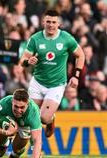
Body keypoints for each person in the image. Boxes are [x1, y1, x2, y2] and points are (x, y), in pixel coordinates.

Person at [19, 9, 85, 137]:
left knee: (43, 118)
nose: (51, 25)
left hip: (56, 84)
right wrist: (28, 61)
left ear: (58, 23)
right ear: (43, 22)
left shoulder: (66, 38)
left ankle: (50, 119)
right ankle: (30, 150)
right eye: (48, 21)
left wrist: (76, 75)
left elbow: (80, 55)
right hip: (37, 82)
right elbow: (22, 61)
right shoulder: (35, 38)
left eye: (54, 22)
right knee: (28, 118)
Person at [0, 88, 42, 158]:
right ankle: (5, 143)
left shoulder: (33, 112)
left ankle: (16, 153)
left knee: (17, 148)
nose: (18, 110)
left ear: (27, 104)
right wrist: (6, 133)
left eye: (22, 107)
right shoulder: (4, 103)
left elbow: (37, 140)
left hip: (25, 124)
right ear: (12, 102)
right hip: (9, 122)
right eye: (16, 106)